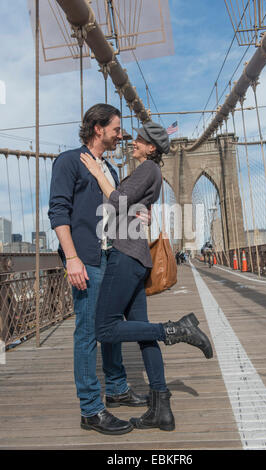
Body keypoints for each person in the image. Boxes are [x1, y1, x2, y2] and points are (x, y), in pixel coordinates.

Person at [80, 121, 213, 432]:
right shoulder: (147, 171)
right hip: (136, 254)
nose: (134, 142)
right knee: (143, 334)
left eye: (140, 139)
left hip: (125, 255)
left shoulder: (148, 169)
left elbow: (118, 200)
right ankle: (160, 409)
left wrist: (99, 173)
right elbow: (128, 204)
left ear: (152, 148)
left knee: (104, 328)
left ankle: (175, 329)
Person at [48, 103, 148, 437]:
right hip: (87, 260)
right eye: (117, 129)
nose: (122, 135)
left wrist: (136, 216)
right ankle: (91, 409)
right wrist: (72, 258)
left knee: (110, 328)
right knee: (88, 332)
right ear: (98, 129)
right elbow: (58, 213)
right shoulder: (68, 162)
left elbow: (115, 214)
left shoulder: (111, 170)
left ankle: (117, 389)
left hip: (112, 257)